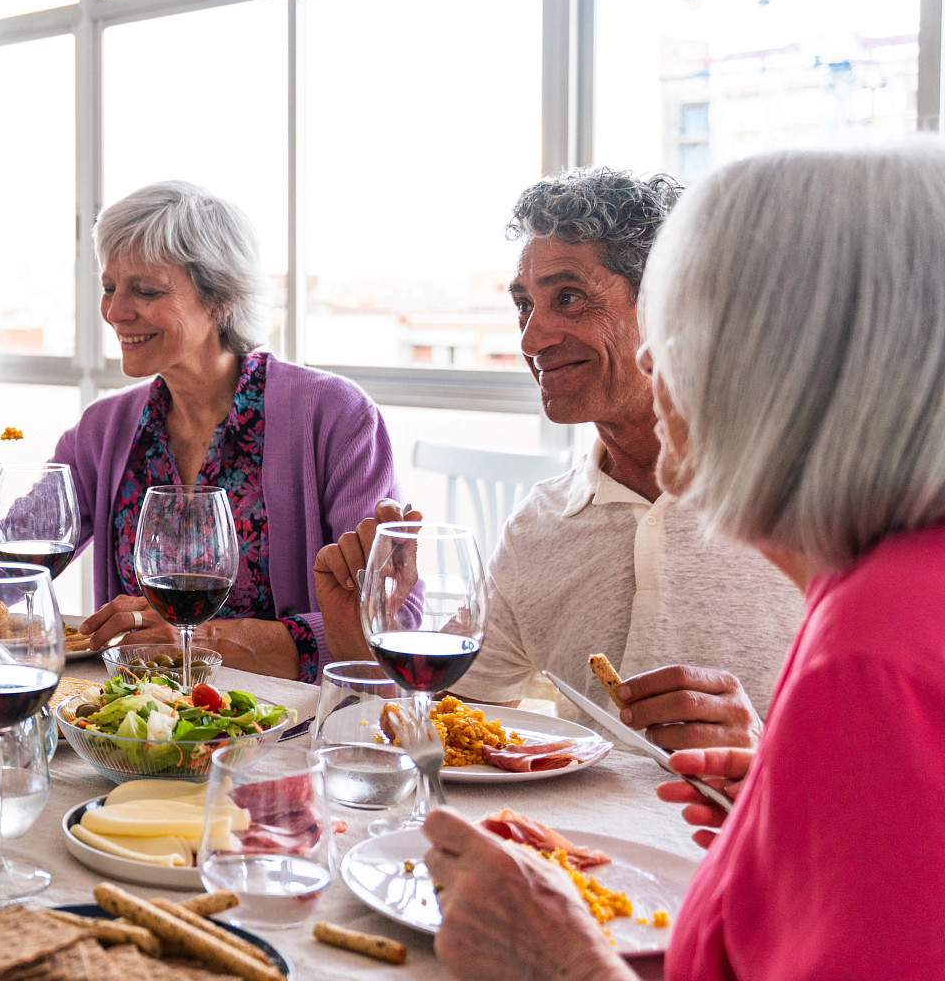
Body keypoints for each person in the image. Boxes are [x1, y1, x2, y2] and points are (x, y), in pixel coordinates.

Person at [424, 141, 945, 981]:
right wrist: (780, 800)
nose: (655, 370)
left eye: (686, 328)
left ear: (793, 363)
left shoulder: (872, 650)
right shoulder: (878, 588)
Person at [315, 168, 801, 748]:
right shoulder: (541, 525)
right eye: (524, 305)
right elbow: (447, 729)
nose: (530, 339)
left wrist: (767, 750)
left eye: (568, 299)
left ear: (671, 307)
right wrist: (361, 638)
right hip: (580, 841)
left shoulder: (805, 502)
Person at [0, 181, 399, 681]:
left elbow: (387, 624)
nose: (116, 311)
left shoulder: (335, 417)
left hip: (291, 733)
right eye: (109, 287)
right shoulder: (104, 432)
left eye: (145, 290)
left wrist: (204, 640)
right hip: (136, 730)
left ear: (222, 298)